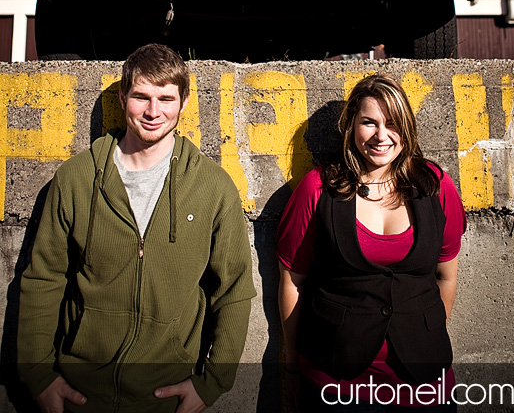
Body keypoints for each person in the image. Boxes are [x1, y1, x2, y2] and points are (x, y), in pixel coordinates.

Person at [18, 43, 255, 413]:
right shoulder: (77, 178)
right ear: (122, 96)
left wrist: (211, 384)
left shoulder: (213, 186)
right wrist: (38, 376)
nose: (153, 111)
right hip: (80, 394)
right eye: (141, 96)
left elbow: (235, 290)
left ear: (184, 102)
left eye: (165, 98)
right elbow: (43, 279)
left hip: (164, 398)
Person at [277, 74, 466, 412]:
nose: (382, 136)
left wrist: (422, 336)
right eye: (369, 122)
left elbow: (446, 275)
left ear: (406, 128)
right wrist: (291, 367)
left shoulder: (436, 186)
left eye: (392, 124)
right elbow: (293, 281)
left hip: (424, 387)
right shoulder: (317, 189)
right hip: (336, 386)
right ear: (351, 126)